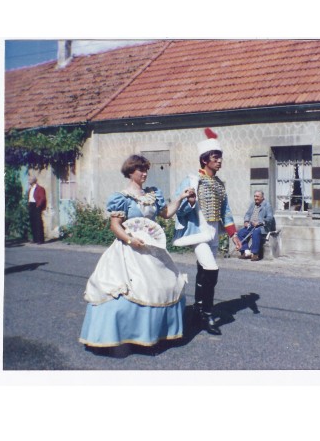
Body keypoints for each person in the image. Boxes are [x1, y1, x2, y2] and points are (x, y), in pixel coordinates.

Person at [79, 154, 195, 349]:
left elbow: (165, 213)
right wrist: (130, 239)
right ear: (130, 173)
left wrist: (181, 197)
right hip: (129, 249)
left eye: (146, 169)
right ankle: (126, 335)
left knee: (162, 287)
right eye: (140, 170)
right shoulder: (121, 198)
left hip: (152, 249)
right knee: (131, 288)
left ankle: (155, 333)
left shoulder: (153, 194)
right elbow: (115, 226)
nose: (144, 173)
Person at [173, 128, 242, 335]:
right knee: (211, 270)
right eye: (215, 157)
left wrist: (234, 235)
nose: (219, 161)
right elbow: (179, 208)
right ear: (205, 160)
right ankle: (206, 314)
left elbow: (225, 211)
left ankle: (197, 311)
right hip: (199, 231)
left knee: (205, 271)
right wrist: (190, 202)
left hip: (213, 232)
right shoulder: (192, 180)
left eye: (220, 157)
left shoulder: (220, 184)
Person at [237, 190, 275, 261]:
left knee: (256, 232)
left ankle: (255, 254)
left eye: (257, 196)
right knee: (241, 233)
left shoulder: (267, 205)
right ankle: (246, 252)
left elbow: (270, 218)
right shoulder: (253, 204)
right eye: (255, 196)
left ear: (262, 197)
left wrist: (260, 222)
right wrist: (246, 221)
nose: (255, 198)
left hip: (262, 226)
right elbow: (248, 214)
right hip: (251, 225)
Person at [27, 174, 47, 244]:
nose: (29, 181)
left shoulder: (40, 188)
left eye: (30, 179)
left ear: (34, 180)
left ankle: (40, 239)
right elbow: (30, 197)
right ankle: (35, 238)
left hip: (36, 205)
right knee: (32, 222)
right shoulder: (30, 189)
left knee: (38, 222)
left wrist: (38, 205)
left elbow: (42, 198)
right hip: (31, 205)